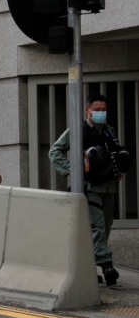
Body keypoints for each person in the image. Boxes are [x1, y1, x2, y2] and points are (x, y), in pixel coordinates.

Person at [49, 93, 132, 286]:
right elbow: (55, 151)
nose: (100, 113)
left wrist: (119, 168)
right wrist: (73, 170)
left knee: (104, 229)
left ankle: (88, 269)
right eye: (97, 110)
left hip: (109, 187)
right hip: (90, 187)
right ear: (87, 110)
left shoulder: (108, 131)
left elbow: (114, 154)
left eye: (103, 110)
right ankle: (107, 266)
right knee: (98, 227)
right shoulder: (78, 130)